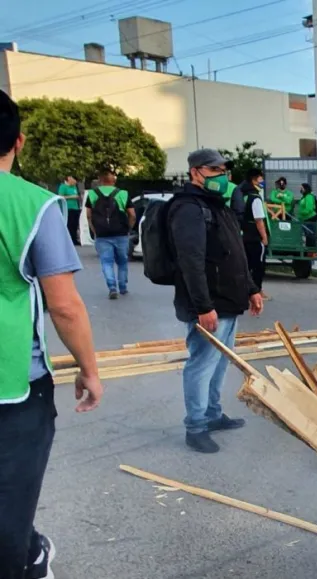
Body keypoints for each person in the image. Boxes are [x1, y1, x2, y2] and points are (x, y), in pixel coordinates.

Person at [0, 88, 103, 579]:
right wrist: (89, 369)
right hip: (12, 385)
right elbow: (64, 307)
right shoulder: (35, 205)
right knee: (8, 500)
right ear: (18, 142)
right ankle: (25, 557)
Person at [168, 149, 263, 453]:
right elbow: (191, 261)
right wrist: (203, 306)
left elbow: (235, 252)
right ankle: (195, 426)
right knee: (202, 364)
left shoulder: (217, 206)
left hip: (228, 300)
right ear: (195, 172)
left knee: (220, 362)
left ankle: (212, 414)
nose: (222, 177)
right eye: (215, 171)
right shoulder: (188, 209)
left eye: (224, 171)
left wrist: (251, 288)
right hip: (210, 305)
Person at [86, 169, 136, 299]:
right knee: (122, 262)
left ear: (100, 181)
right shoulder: (123, 194)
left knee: (106, 262)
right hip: (121, 233)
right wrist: (128, 228)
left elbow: (88, 215)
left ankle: (112, 287)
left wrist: (95, 230)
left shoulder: (92, 194)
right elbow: (132, 214)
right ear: (114, 180)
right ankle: (123, 287)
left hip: (102, 234)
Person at [241, 171, 269, 301]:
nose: (262, 181)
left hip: (243, 234)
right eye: (260, 179)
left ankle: (244, 290)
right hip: (255, 236)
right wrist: (264, 237)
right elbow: (259, 220)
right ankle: (257, 291)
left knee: (246, 265)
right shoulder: (255, 198)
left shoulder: (242, 195)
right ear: (253, 180)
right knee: (258, 266)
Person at [58, 175, 81, 245]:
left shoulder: (74, 187)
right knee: (69, 224)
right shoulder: (63, 187)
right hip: (68, 208)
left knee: (75, 224)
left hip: (75, 208)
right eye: (74, 180)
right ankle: (69, 240)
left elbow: (76, 196)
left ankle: (75, 239)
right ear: (69, 178)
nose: (75, 182)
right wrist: (71, 197)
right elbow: (60, 196)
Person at [296, 183, 317, 247]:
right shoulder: (304, 196)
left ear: (306, 189)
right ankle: (308, 250)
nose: (300, 189)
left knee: (310, 236)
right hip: (305, 219)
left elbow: (309, 209)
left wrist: (300, 213)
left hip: (310, 218)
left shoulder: (309, 196)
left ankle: (311, 251)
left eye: (302, 188)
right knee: (307, 236)